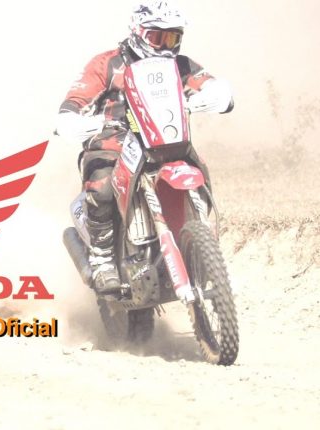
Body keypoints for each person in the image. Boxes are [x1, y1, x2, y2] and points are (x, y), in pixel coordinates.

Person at [55, 1, 233, 294]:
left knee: (199, 168)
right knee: (102, 185)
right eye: (157, 37)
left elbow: (209, 83)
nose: (165, 46)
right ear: (138, 31)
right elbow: (76, 99)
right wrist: (71, 117)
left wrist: (217, 94)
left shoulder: (180, 65)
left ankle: (201, 239)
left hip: (165, 139)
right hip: (112, 141)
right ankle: (102, 259)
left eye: (172, 38)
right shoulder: (107, 64)